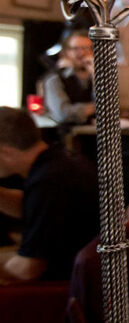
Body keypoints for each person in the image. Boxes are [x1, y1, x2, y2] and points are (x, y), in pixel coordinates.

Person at [0, 106, 98, 282]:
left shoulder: (49, 182)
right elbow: (31, 208)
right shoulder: (57, 161)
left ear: (6, 152)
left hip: (63, 289)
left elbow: (27, 269)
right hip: (79, 275)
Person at [41, 31, 95, 127]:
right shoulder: (54, 79)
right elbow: (62, 114)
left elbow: (112, 108)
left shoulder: (96, 77)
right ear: (66, 52)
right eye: (75, 49)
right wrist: (98, 108)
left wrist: (95, 75)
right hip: (67, 137)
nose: (82, 53)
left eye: (86, 48)